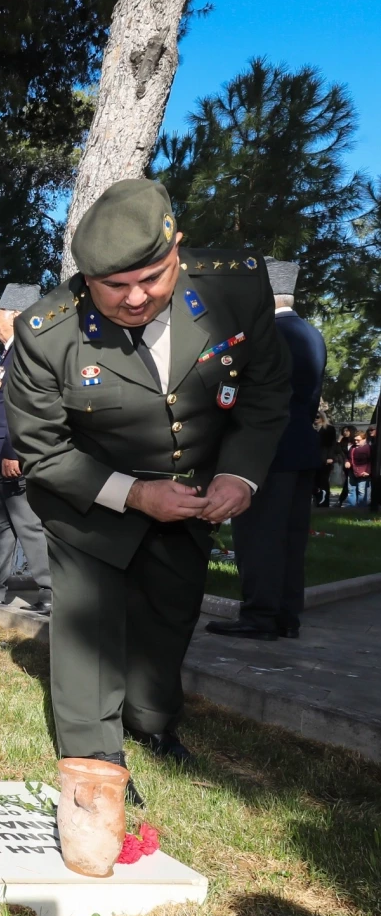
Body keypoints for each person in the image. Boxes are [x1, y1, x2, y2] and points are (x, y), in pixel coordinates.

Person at [6, 178, 290, 803]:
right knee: (91, 625)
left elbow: (266, 391)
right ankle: (94, 759)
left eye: (153, 278)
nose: (136, 298)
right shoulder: (44, 333)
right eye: (114, 287)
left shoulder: (235, 286)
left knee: (171, 608)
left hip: (192, 489)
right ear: (85, 279)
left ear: (178, 250)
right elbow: (44, 449)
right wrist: (133, 495)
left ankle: (153, 724)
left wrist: (239, 474)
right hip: (90, 496)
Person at [206, 258, 325, 641]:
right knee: (290, 539)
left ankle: (259, 614)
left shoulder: (266, 334)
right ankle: (287, 615)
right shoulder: (311, 334)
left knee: (259, 537)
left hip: (267, 451)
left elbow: (253, 395)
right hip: (302, 448)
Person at [0, 283, 52, 612]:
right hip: (0, 455)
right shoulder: (11, 351)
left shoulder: (27, 352)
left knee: (28, 524)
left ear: (18, 316)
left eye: (0, 313)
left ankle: (51, 591)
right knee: (2, 521)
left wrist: (12, 452)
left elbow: (22, 409)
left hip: (13, 455)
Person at [315, 414, 337, 507]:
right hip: (312, 458)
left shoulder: (329, 429)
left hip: (324, 458)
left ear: (322, 417)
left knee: (323, 481)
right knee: (314, 482)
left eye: (317, 417)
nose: (315, 419)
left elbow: (332, 444)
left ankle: (324, 504)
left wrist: (330, 457)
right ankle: (316, 501)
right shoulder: (310, 427)